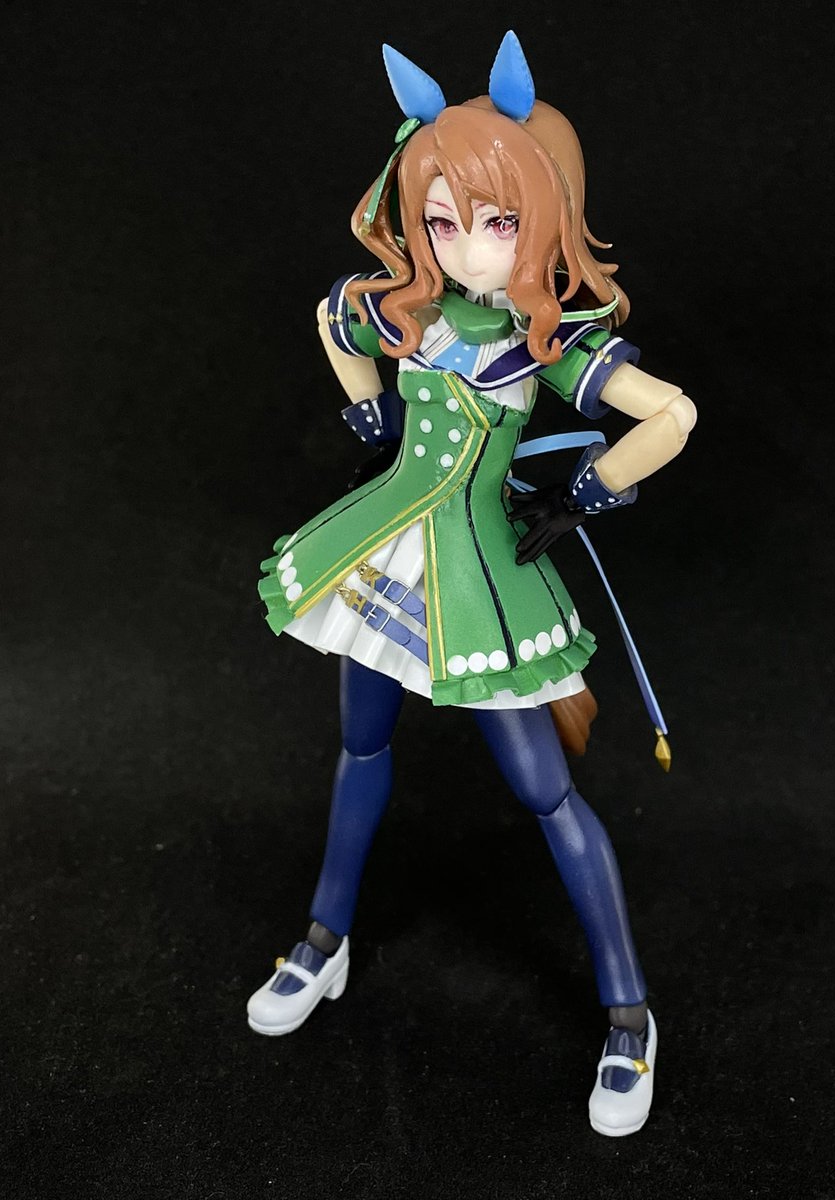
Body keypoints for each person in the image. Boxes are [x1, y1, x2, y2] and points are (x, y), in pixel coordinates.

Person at [248, 31, 696, 1137]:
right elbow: (333, 316)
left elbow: (673, 414)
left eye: (496, 223)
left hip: (484, 576)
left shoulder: (543, 342)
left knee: (546, 793)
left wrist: (590, 490)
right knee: (360, 745)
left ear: (543, 216)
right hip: (381, 552)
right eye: (442, 222)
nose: (465, 247)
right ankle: (323, 938)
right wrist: (368, 408)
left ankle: (629, 1012)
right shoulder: (416, 310)